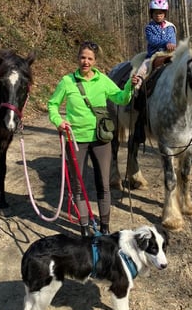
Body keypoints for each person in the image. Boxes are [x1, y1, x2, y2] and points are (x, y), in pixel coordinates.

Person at [47, 41, 142, 237]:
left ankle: (105, 227)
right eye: (83, 57)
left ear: (95, 61)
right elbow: (52, 104)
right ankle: (83, 228)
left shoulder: (103, 80)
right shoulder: (67, 81)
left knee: (103, 184)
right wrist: (59, 122)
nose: (86, 62)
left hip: (101, 139)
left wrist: (129, 87)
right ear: (77, 58)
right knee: (78, 186)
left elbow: (121, 98)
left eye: (90, 58)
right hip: (75, 140)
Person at [134, 0, 178, 90]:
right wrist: (166, 43)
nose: (158, 15)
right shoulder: (149, 27)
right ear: (151, 14)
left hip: (169, 53)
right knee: (142, 69)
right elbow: (152, 40)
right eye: (155, 13)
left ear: (165, 14)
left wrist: (172, 44)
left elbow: (173, 39)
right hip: (153, 55)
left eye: (161, 13)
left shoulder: (170, 27)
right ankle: (136, 90)